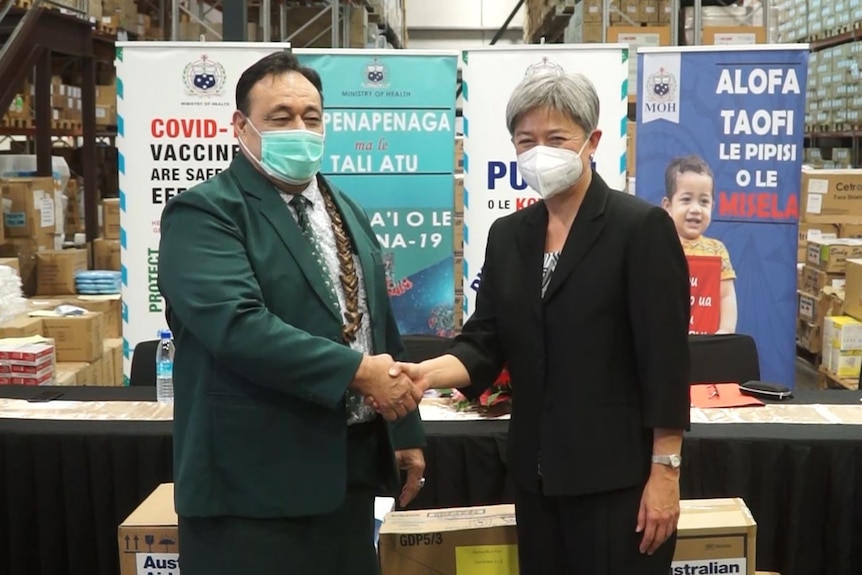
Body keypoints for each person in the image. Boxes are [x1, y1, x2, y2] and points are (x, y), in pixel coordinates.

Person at [389, 71, 691, 573]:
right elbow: (485, 341)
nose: (538, 152)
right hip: (534, 477)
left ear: (591, 141)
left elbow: (665, 361)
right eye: (525, 140)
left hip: (618, 480)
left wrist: (666, 470)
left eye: (556, 139)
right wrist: (424, 375)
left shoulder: (638, 229)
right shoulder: (510, 236)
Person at [157, 52, 426, 575]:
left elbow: (377, 324)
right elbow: (237, 326)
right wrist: (358, 373)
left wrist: (405, 431)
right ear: (241, 126)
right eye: (281, 117)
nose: (300, 129)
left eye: (312, 117)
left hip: (344, 478)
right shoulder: (206, 212)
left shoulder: (345, 208)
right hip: (251, 490)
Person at [663, 155, 738, 334]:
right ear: (668, 206)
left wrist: (725, 331)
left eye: (704, 201)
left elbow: (726, 295)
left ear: (712, 206)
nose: (696, 209)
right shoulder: (658, 245)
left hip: (707, 347)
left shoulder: (717, 250)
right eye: (686, 199)